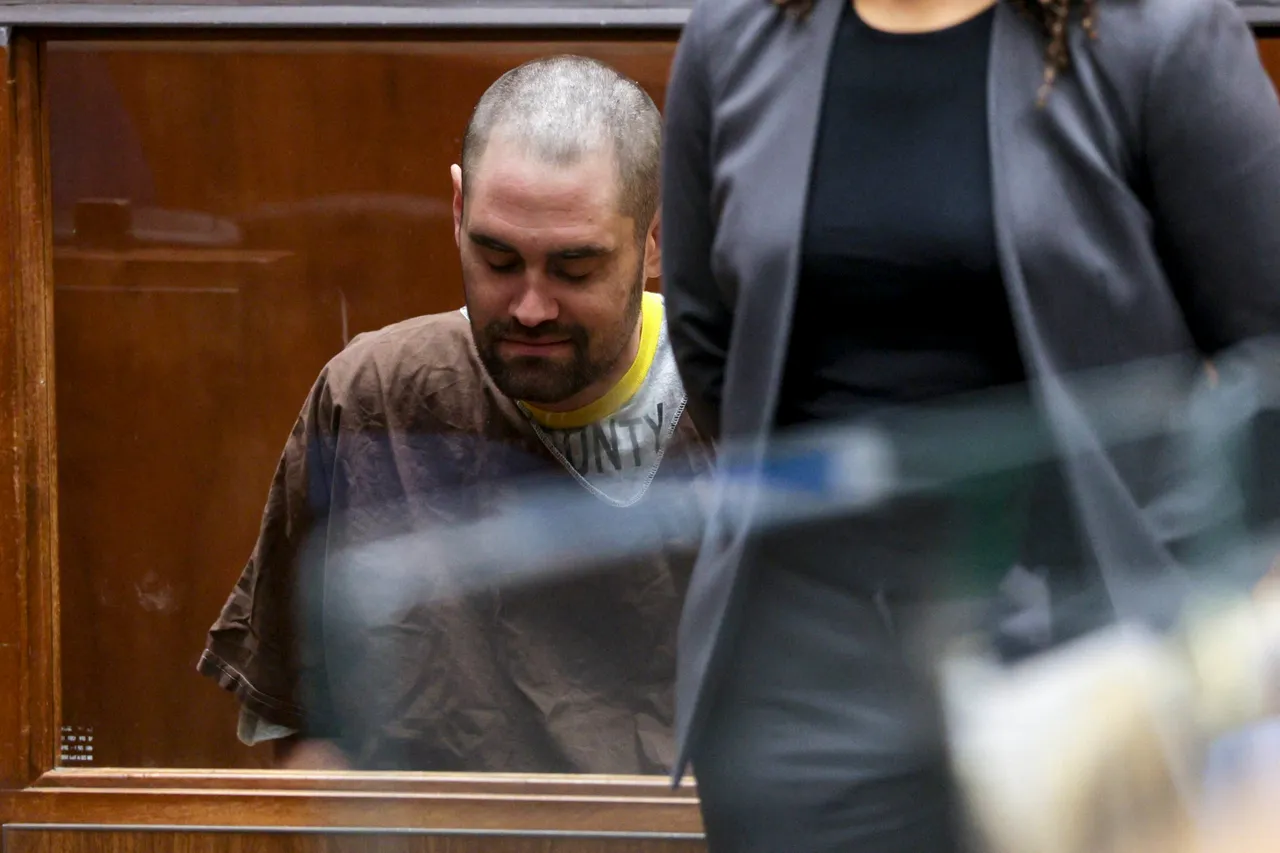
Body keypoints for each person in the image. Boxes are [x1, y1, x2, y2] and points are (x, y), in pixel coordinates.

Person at [661, 0, 1280, 849]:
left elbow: (1270, 350)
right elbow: (710, 346)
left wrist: (1197, 578)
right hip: (802, 667)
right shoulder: (737, 34)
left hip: (1086, 652)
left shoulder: (1155, 34)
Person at [198, 55, 712, 773]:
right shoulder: (376, 398)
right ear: (457, 211)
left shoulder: (736, 401)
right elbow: (307, 728)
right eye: (498, 260)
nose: (531, 308)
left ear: (655, 239)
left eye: (574, 268)